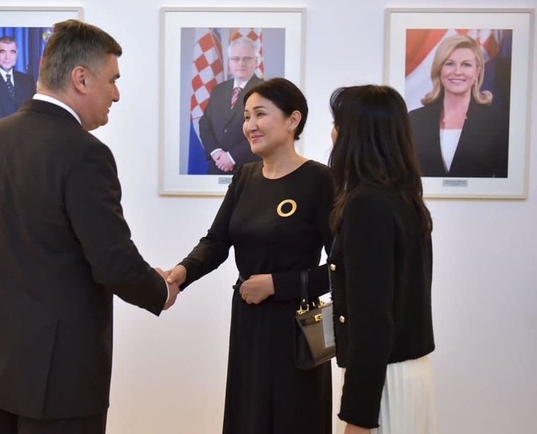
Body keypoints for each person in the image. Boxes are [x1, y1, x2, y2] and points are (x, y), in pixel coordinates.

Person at [0, 19, 178, 434]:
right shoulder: (85, 153)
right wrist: (160, 289)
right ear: (81, 78)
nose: (116, 94)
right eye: (112, 80)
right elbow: (112, 261)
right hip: (60, 376)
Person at [166, 77, 334, 434]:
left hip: (298, 327)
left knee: (293, 419)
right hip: (248, 319)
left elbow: (343, 268)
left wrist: (278, 285)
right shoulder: (245, 176)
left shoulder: (320, 180)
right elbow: (216, 242)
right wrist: (182, 273)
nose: (250, 125)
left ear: (293, 120)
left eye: (260, 114)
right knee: (249, 417)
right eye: (246, 116)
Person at [328, 85, 437, 434]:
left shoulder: (367, 205)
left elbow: (372, 321)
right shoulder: (403, 199)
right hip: (405, 375)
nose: (333, 134)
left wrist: (357, 418)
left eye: (338, 124)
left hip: (383, 382)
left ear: (356, 134)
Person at [408, 33, 509, 177]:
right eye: (449, 64)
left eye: (466, 65)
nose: (457, 72)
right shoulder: (414, 120)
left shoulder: (497, 123)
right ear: (439, 69)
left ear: (477, 72)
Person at [198, 36, 263, 174]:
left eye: (246, 58)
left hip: (249, 169)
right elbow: (204, 124)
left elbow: (263, 130)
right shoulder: (219, 89)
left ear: (256, 61)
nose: (241, 63)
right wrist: (216, 153)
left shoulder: (266, 91)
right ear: (229, 62)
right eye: (235, 59)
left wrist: (232, 157)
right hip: (217, 167)